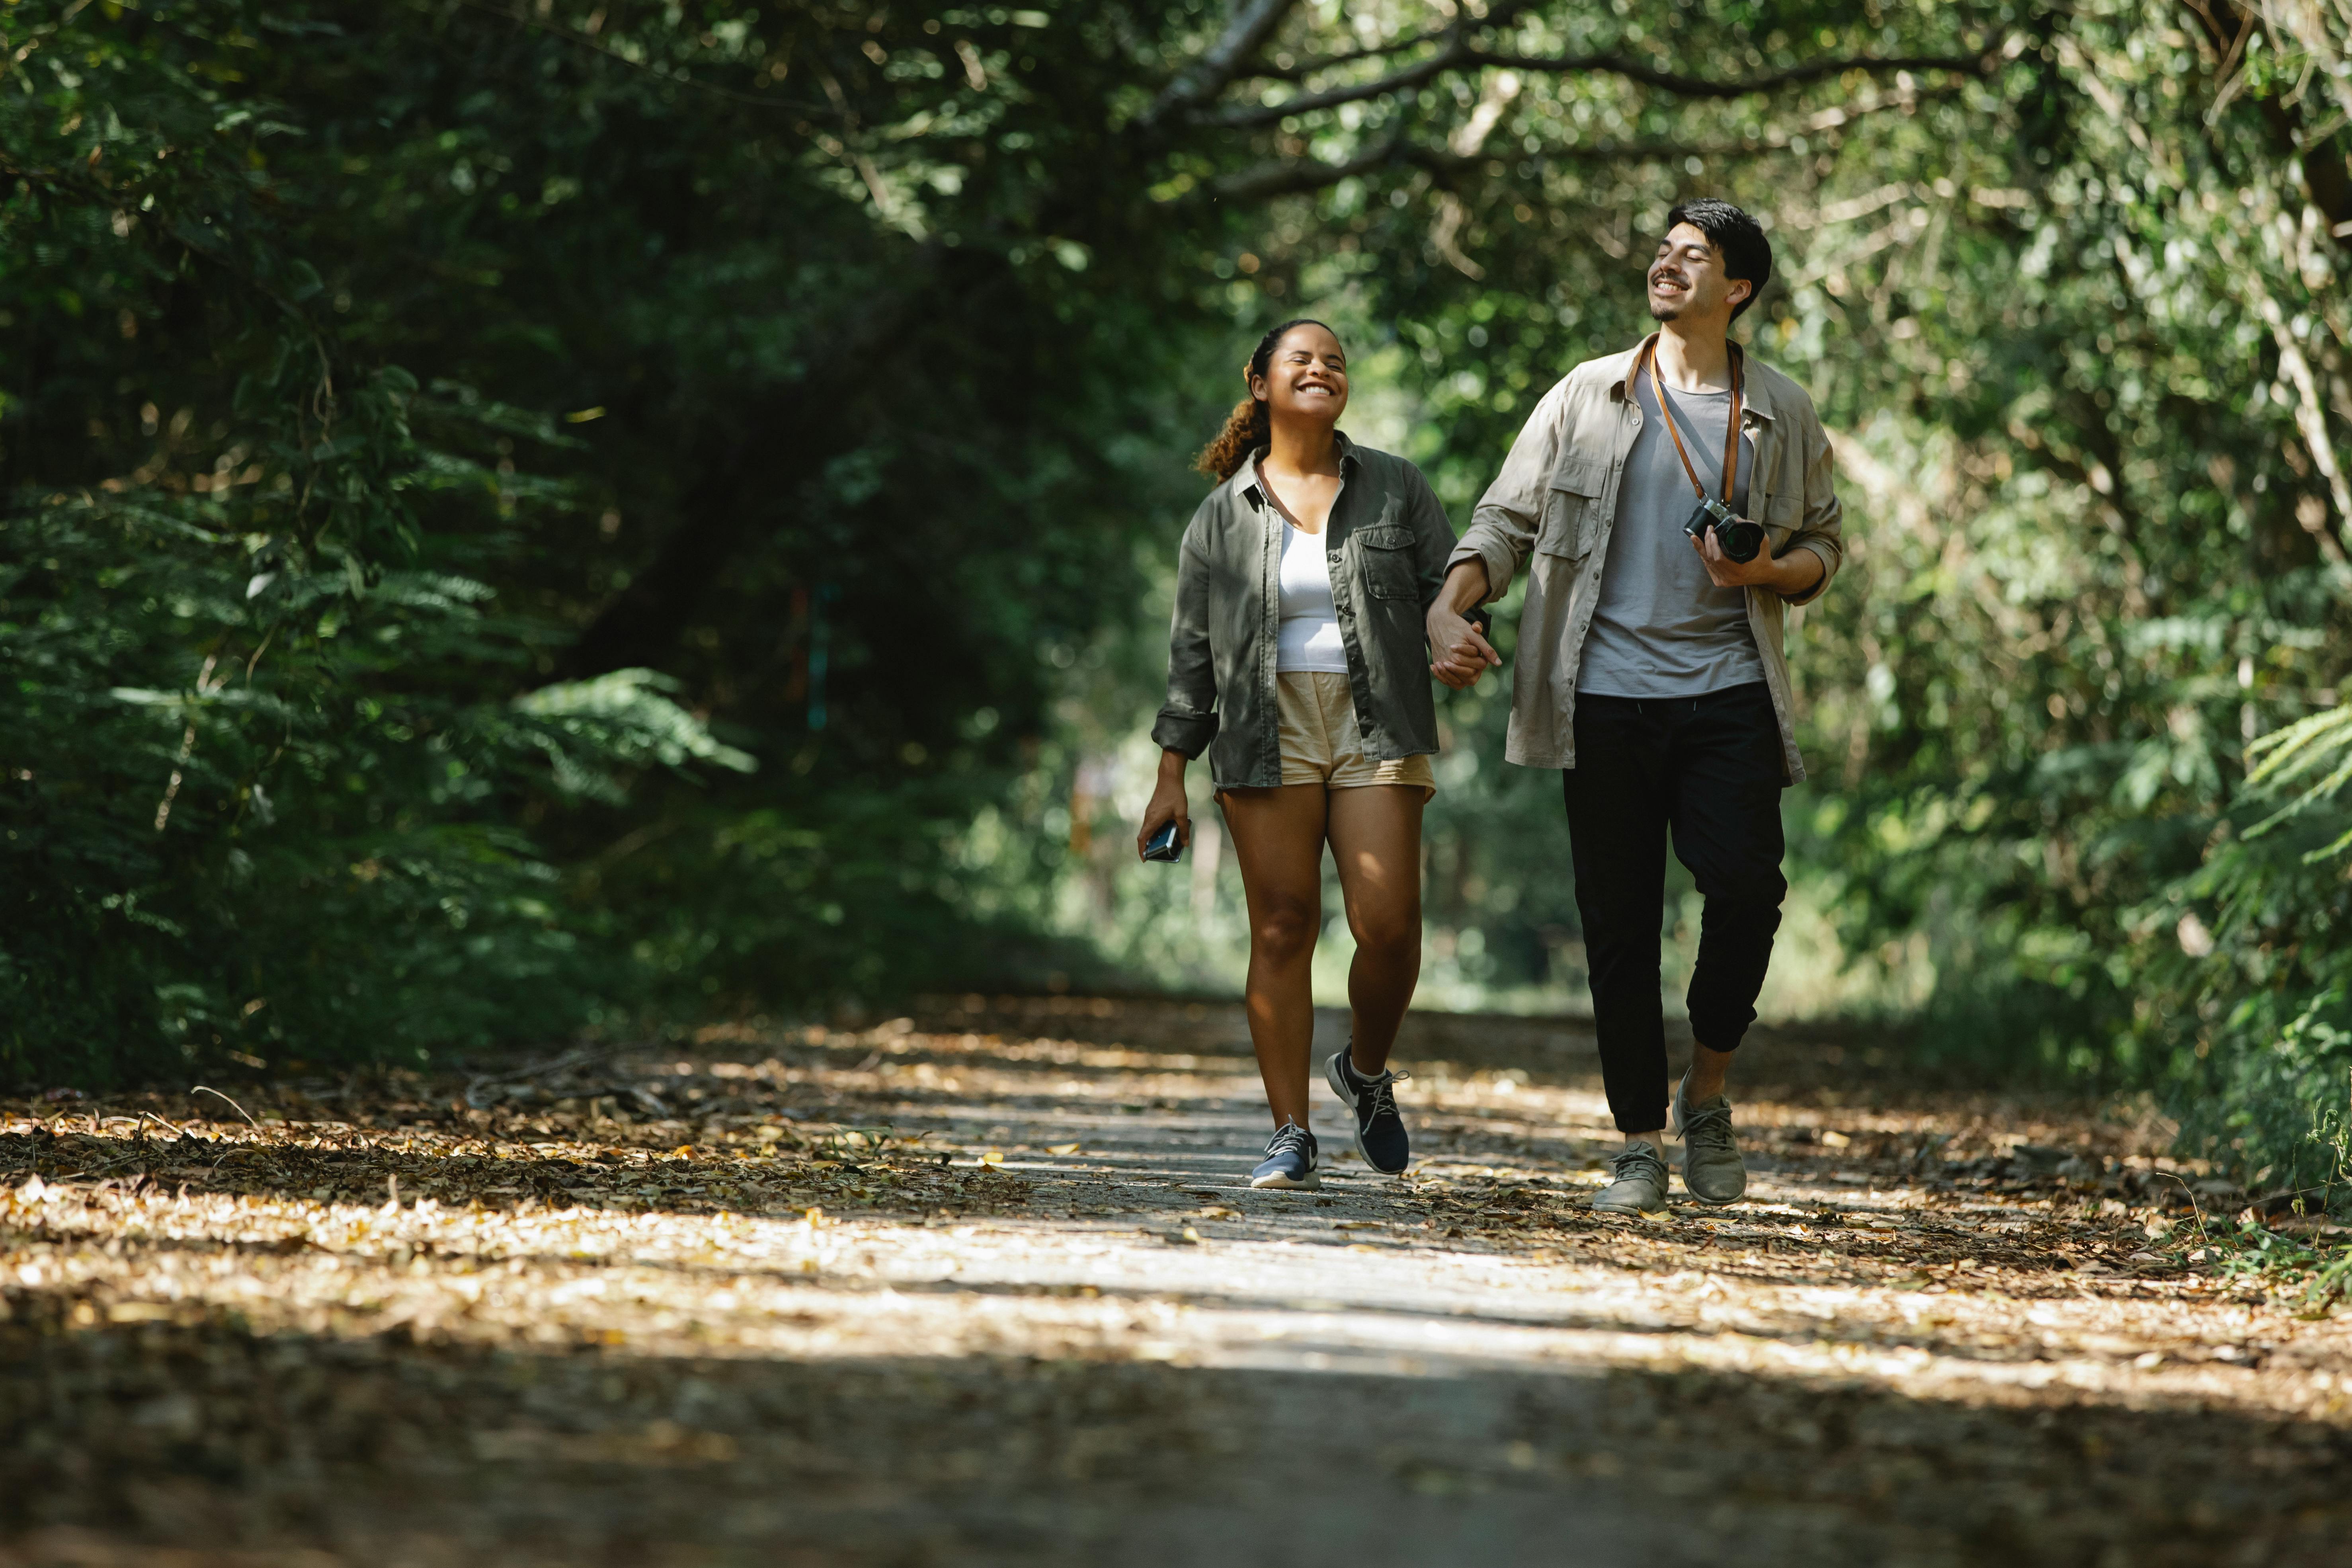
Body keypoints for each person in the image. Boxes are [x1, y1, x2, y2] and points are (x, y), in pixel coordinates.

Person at [1425, 199, 1844, 1214]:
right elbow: (1506, 519)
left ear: (1737, 289)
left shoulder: (1779, 410)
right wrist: (1448, 603)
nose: (1667, 265)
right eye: (1663, 252)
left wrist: (1766, 565)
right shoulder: (1587, 394)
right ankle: (1638, 1142)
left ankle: (1707, 1088)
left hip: (1729, 690)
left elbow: (1826, 545)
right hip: (1602, 697)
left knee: (1747, 889)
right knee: (1618, 925)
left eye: (1692, 256)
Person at [1139, 319, 1457, 1191]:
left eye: (1334, 361)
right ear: (1259, 381)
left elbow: (1449, 593)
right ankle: (1290, 1130)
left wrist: (1458, 630)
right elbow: (1192, 656)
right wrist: (1171, 771)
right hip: (1260, 722)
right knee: (1282, 926)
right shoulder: (1219, 517)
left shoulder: (1396, 486)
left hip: (1376, 718)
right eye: (1301, 359)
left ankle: (1363, 1068)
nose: (1321, 368)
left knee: (1387, 929)